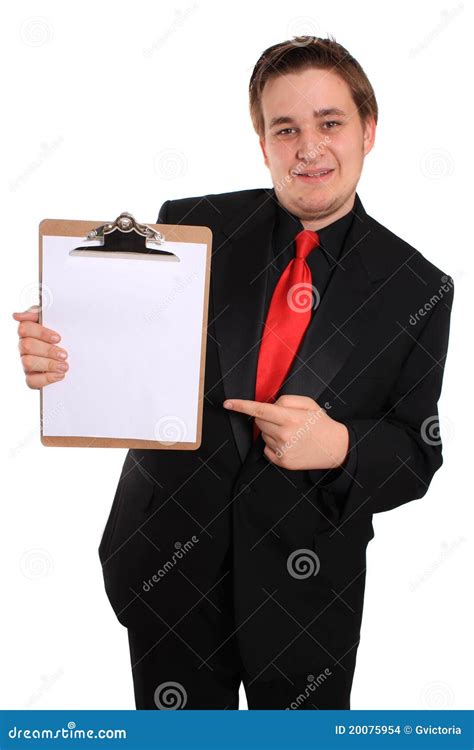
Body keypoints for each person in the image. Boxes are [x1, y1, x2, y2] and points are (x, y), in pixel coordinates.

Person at [13, 36, 454, 710]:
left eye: (329, 123)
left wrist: (337, 447)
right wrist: (63, 349)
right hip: (170, 570)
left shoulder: (417, 287)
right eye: (286, 129)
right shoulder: (194, 226)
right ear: (263, 142)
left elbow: (417, 450)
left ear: (368, 130)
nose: (308, 147)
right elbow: (128, 348)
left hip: (307, 598)